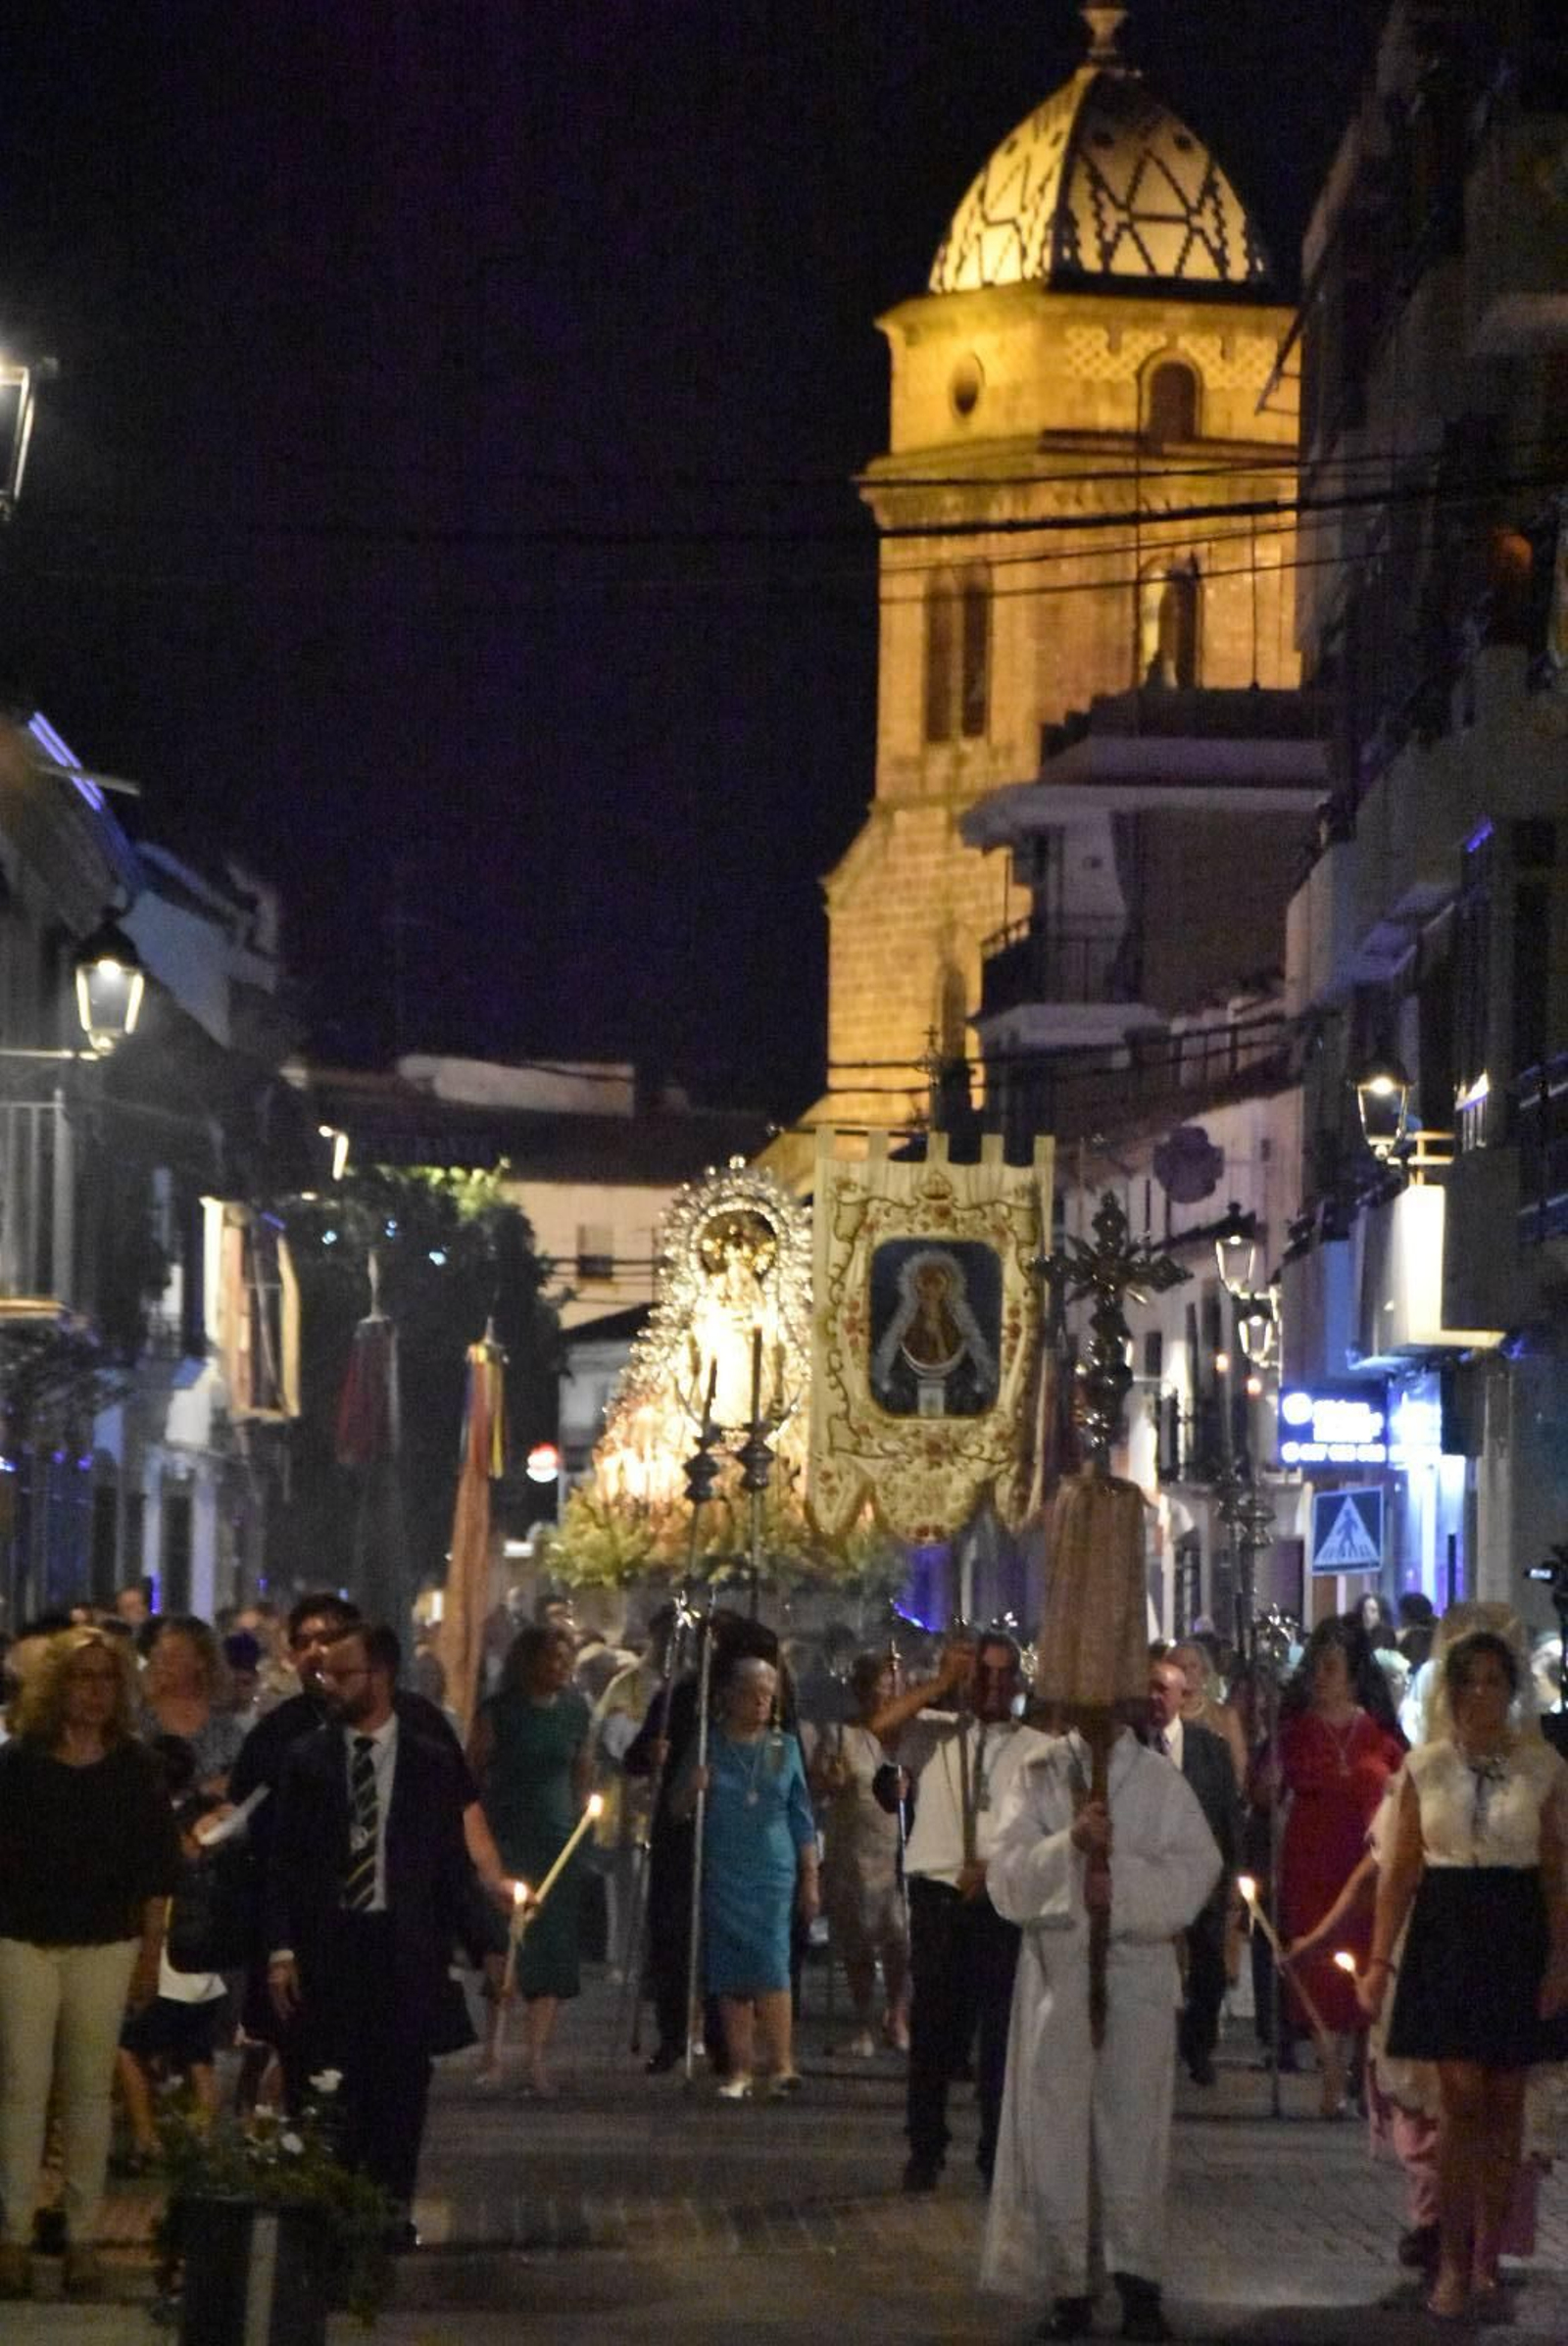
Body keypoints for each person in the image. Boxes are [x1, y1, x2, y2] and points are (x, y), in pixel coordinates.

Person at [981, 1718, 1222, 2343]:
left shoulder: (1157, 1781)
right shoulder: (1036, 1776)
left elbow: (1199, 1865)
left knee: (1134, 2126)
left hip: (1136, 1976)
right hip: (1059, 1975)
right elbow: (1006, 1876)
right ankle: (1068, 2283)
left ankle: (1138, 2279)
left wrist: (1123, 1889)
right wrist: (1068, 1847)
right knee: (1057, 2126)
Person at [265, 1623, 506, 2233]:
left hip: (401, 1948)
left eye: (344, 1675)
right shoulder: (308, 1760)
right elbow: (282, 1861)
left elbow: (448, 1864)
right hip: (330, 1947)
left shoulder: (426, 1762)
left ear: (382, 1677)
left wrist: (489, 1943)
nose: (329, 1686)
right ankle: (329, 2213)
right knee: (325, 2087)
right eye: (324, 1675)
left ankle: (389, 2211)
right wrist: (282, 1948)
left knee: (398, 2090)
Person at [1358, 1627, 1568, 2320]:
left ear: (1513, 1693)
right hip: (1449, 1929)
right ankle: (1449, 2260)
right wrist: (1380, 1962)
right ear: (1451, 1692)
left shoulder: (1543, 1767)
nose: (1482, 1694)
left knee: (1506, 2109)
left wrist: (1561, 1959)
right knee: (1459, 2100)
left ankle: (1485, 2259)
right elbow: (1400, 1875)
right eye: (1469, 1681)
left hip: (1514, 1929)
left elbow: (1557, 1875)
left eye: (1494, 1682)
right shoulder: (1427, 1768)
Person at [0, 1627, 180, 2299]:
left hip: (106, 1940)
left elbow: (157, 1871)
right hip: (23, 1938)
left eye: (108, 1679)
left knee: (86, 2090)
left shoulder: (135, 1768)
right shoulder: (19, 1763)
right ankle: (13, 2234)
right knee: (21, 2085)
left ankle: (81, 2237)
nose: (96, 1692)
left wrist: (152, 1952)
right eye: (83, 1678)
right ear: (56, 1687)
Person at [868, 1631, 1052, 2192]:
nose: (993, 1688)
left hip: (998, 1895)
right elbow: (882, 1728)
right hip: (940, 1892)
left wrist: (996, 1867)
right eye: (983, 1676)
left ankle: (997, 2149)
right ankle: (926, 2146)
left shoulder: (1036, 1746)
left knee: (1000, 2032)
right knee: (933, 2031)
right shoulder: (936, 1733)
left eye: (1004, 1676)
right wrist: (942, 1683)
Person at [675, 1654, 818, 2098]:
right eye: (753, 1694)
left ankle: (781, 2064)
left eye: (767, 1695)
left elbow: (801, 1816)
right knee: (730, 1970)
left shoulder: (783, 1748)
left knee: (771, 1963)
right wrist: (692, 1787)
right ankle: (740, 2068)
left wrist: (811, 1876)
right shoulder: (709, 1746)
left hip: (772, 1869)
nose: (761, 1703)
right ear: (731, 1697)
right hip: (725, 1866)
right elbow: (676, 1810)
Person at [1275, 1617, 1404, 2071]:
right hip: (1311, 1858)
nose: (1321, 1677)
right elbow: (1267, 1791)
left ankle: (1352, 2059)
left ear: (1353, 1674)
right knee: (1314, 1957)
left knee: (1361, 1950)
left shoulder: (1379, 1734)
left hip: (1362, 1855)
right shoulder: (1296, 1732)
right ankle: (1327, 2055)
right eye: (1317, 1668)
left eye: (1331, 1667)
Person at [468, 1624, 592, 2096]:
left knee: (553, 1951)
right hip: (509, 1837)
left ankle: (537, 2057)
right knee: (508, 1945)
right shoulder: (500, 1713)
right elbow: (473, 1771)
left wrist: (584, 1823)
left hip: (557, 1841)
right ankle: (493, 2052)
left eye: (567, 1659)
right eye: (552, 1658)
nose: (561, 1668)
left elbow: (582, 1774)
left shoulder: (576, 1712)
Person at [115, 1735, 228, 2172]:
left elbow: (158, 1904)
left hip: (169, 1969)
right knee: (199, 2060)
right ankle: (202, 2142)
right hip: (204, 1971)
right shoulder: (203, 1819)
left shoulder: (159, 1825)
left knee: (126, 2050)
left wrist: (144, 1964)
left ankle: (147, 2140)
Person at [1147, 1657, 1240, 2087]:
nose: (1154, 1699)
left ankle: (1198, 2048)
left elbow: (1226, 1814)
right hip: (1148, 1868)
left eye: (1163, 1691)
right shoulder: (1132, 1746)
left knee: (1208, 1966)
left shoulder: (1210, 1748)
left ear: (1182, 1697)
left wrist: (1230, 1876)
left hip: (1197, 1869)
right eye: (1149, 1688)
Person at [813, 1650, 909, 2056]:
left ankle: (898, 2016)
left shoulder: (907, 1737)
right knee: (857, 1941)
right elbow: (820, 1785)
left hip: (896, 1849)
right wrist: (830, 1781)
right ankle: (864, 2021)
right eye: (878, 1688)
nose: (885, 1696)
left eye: (892, 1688)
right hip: (854, 1850)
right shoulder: (841, 1736)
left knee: (900, 1938)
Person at [139, 1615, 246, 1794]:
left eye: (174, 1655)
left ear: (201, 1661)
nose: (162, 1663)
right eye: (159, 1653)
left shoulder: (224, 1723)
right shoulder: (137, 1716)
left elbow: (240, 1779)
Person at [1166, 1640, 1247, 1788]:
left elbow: (1239, 1771)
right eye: (1181, 1666)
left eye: (1193, 1666)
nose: (1187, 1671)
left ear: (1204, 1671)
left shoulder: (1226, 1716)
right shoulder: (1164, 1717)